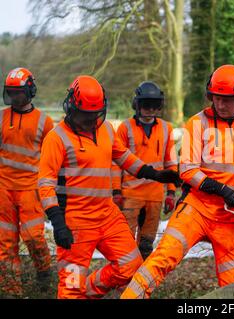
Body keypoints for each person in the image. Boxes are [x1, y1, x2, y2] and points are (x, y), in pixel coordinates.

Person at [121, 64, 234, 299]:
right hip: (196, 208)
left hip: (231, 215)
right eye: (216, 98)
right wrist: (222, 189)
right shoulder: (198, 123)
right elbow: (188, 171)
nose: (221, 105)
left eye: (227, 99)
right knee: (162, 258)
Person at [38, 75, 180, 298]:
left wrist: (156, 174)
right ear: (72, 106)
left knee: (132, 266)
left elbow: (124, 157)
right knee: (70, 287)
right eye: (85, 115)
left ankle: (87, 291)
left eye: (94, 114)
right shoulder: (56, 138)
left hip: (108, 217)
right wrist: (57, 223)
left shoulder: (105, 130)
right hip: (75, 224)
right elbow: (45, 184)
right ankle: (76, 291)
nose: (90, 119)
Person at [0, 67, 53, 297]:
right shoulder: (1, 117)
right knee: (4, 243)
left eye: (18, 92)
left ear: (29, 91)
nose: (14, 97)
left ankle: (44, 272)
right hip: (3, 189)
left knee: (34, 237)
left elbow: (53, 158)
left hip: (31, 189)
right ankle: (11, 289)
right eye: (11, 92)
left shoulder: (44, 121)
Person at [114, 81, 178, 259]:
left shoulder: (166, 128)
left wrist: (171, 193)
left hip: (155, 196)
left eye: (155, 105)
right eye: (147, 105)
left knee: (146, 243)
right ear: (138, 105)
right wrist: (116, 191)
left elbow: (171, 162)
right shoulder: (125, 128)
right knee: (125, 243)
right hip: (130, 195)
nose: (151, 109)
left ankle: (141, 280)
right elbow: (115, 162)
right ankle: (124, 280)